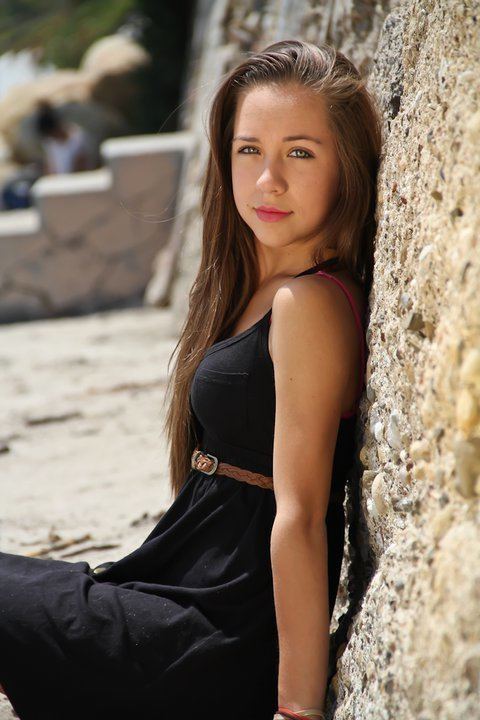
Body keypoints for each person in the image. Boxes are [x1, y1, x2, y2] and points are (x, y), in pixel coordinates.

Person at [0, 40, 381, 720]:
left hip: (211, 638)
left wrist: (296, 708)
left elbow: (299, 516)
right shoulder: (256, 288)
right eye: (248, 151)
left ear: (345, 167)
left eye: (300, 152)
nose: (268, 179)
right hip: (178, 591)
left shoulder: (310, 305)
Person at [34, 100, 91, 175]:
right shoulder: (50, 142)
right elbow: (50, 167)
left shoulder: (77, 138)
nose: (52, 137)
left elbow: (81, 166)